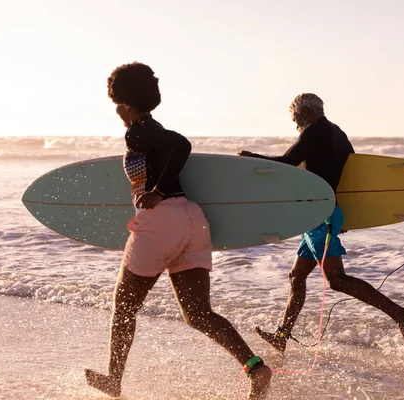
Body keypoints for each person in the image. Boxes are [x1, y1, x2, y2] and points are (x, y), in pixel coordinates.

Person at [84, 62, 271, 399]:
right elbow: (175, 148)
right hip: (191, 218)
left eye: (116, 105)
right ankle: (255, 367)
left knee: (125, 306)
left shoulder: (137, 131)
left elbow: (182, 145)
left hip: (162, 220)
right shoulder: (152, 128)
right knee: (198, 313)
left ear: (125, 105)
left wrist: (157, 189)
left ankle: (114, 380)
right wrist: (162, 187)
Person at [238, 93, 404, 353]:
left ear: (307, 111)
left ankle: (400, 313)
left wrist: (251, 158)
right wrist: (344, 214)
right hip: (322, 212)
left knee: (337, 280)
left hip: (319, 213)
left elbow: (287, 163)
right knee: (297, 275)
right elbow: (352, 176)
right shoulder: (338, 133)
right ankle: (282, 336)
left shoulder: (313, 132)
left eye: (295, 117)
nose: (295, 123)